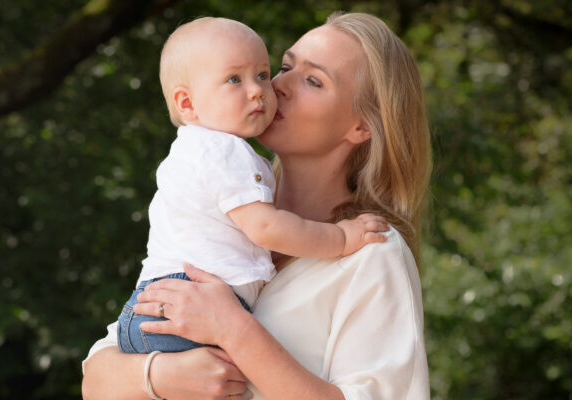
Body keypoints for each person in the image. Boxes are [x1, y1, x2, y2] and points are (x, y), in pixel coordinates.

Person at [82, 10, 432, 400]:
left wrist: (234, 330)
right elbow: (95, 378)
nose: (277, 85)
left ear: (361, 126)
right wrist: (158, 374)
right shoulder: (217, 214)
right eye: (284, 66)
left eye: (313, 80)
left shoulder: (371, 253)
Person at [117, 17, 389, 354]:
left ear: (362, 126)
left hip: (156, 304)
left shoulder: (205, 151)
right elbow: (266, 228)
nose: (263, 89)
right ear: (187, 103)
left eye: (262, 74)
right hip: (179, 301)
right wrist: (342, 238)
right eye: (234, 79)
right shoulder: (224, 151)